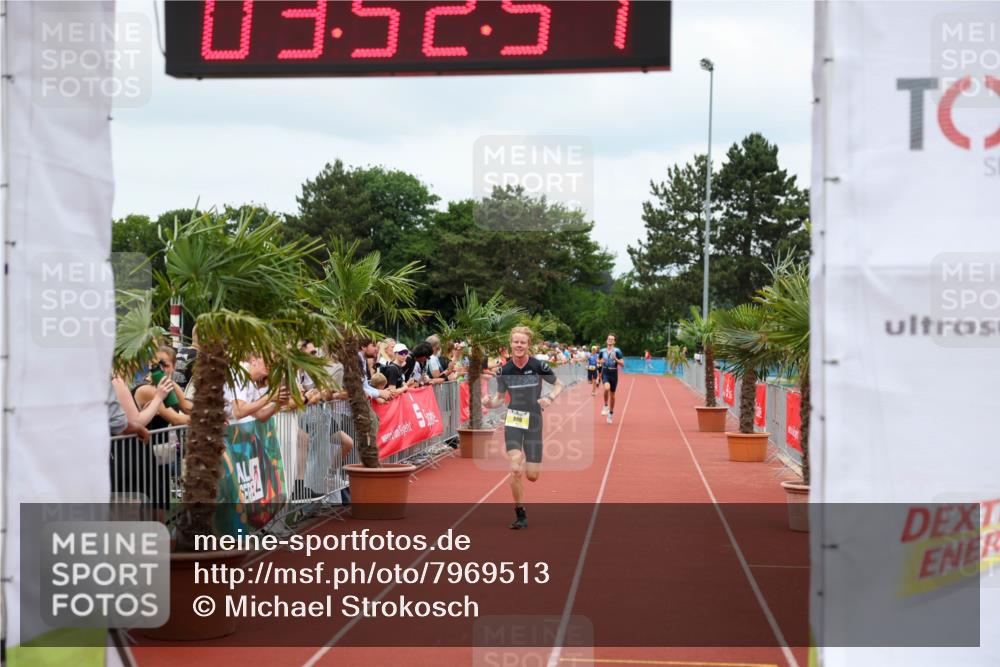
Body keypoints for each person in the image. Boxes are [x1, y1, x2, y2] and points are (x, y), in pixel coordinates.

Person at [484, 326, 564, 530]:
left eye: (523, 342)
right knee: (515, 467)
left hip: (534, 421)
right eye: (516, 342)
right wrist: (487, 403)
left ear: (528, 345)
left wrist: (549, 397)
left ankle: (530, 460)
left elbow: (559, 384)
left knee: (532, 476)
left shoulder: (539, 366)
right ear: (510, 344)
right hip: (514, 420)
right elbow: (499, 400)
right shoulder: (504, 371)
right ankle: (520, 514)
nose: (519, 345)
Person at [599, 333, 624, 424]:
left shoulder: (617, 351)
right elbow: (599, 360)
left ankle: (611, 413)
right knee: (606, 388)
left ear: (614, 341)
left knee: (612, 395)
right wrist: (600, 361)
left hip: (614, 373)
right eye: (609, 339)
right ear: (606, 340)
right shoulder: (602, 351)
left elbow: (622, 364)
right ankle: (605, 405)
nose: (610, 340)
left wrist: (616, 359)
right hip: (605, 372)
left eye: (612, 339)